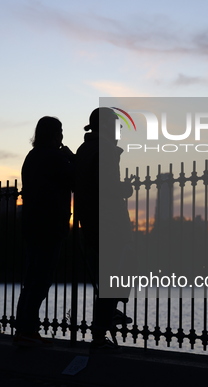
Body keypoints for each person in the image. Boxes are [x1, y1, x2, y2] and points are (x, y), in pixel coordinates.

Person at [74, 107, 133, 352]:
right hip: (109, 222)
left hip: (90, 220)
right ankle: (102, 328)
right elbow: (106, 187)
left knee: (109, 274)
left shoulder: (84, 150)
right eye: (117, 126)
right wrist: (125, 190)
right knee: (116, 273)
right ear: (108, 126)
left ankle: (108, 315)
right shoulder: (106, 150)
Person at [14, 116, 74, 347]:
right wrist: (71, 158)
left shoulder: (33, 157)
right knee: (41, 279)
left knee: (32, 279)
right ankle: (28, 330)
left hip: (33, 224)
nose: (61, 135)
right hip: (49, 225)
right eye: (59, 131)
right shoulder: (54, 156)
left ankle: (24, 330)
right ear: (52, 134)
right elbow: (74, 179)